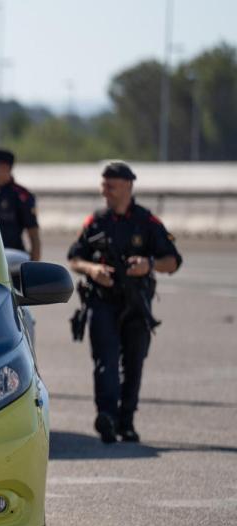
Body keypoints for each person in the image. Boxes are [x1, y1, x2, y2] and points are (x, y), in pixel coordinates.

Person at [68, 161, 181, 444]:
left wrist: (149, 264)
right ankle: (106, 416)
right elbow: (74, 257)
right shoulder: (96, 221)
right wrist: (92, 270)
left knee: (133, 363)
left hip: (136, 304)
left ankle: (126, 421)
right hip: (102, 301)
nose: (104, 190)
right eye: (103, 184)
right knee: (104, 361)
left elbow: (174, 260)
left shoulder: (147, 222)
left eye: (111, 185)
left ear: (128, 186)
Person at [0, 147, 41, 261]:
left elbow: (34, 236)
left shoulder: (21, 196)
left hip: (12, 258)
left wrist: (33, 268)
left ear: (5, 167)